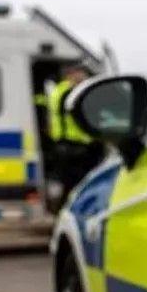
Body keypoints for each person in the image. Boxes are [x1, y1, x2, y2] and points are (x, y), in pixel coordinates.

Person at [46, 61, 105, 205]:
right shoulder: (70, 93)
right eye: (81, 73)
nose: (84, 76)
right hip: (74, 146)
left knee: (69, 185)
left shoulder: (58, 90)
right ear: (71, 74)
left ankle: (64, 208)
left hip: (65, 145)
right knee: (79, 184)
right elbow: (85, 115)